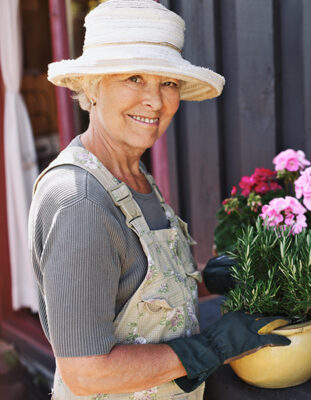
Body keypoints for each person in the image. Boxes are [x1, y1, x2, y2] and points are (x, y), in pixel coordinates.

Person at [29, 1, 289, 399]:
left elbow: (135, 290)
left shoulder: (132, 174)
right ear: (92, 87)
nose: (155, 101)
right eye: (134, 77)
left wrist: (206, 279)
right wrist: (215, 347)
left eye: (167, 82)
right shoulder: (79, 201)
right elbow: (87, 373)